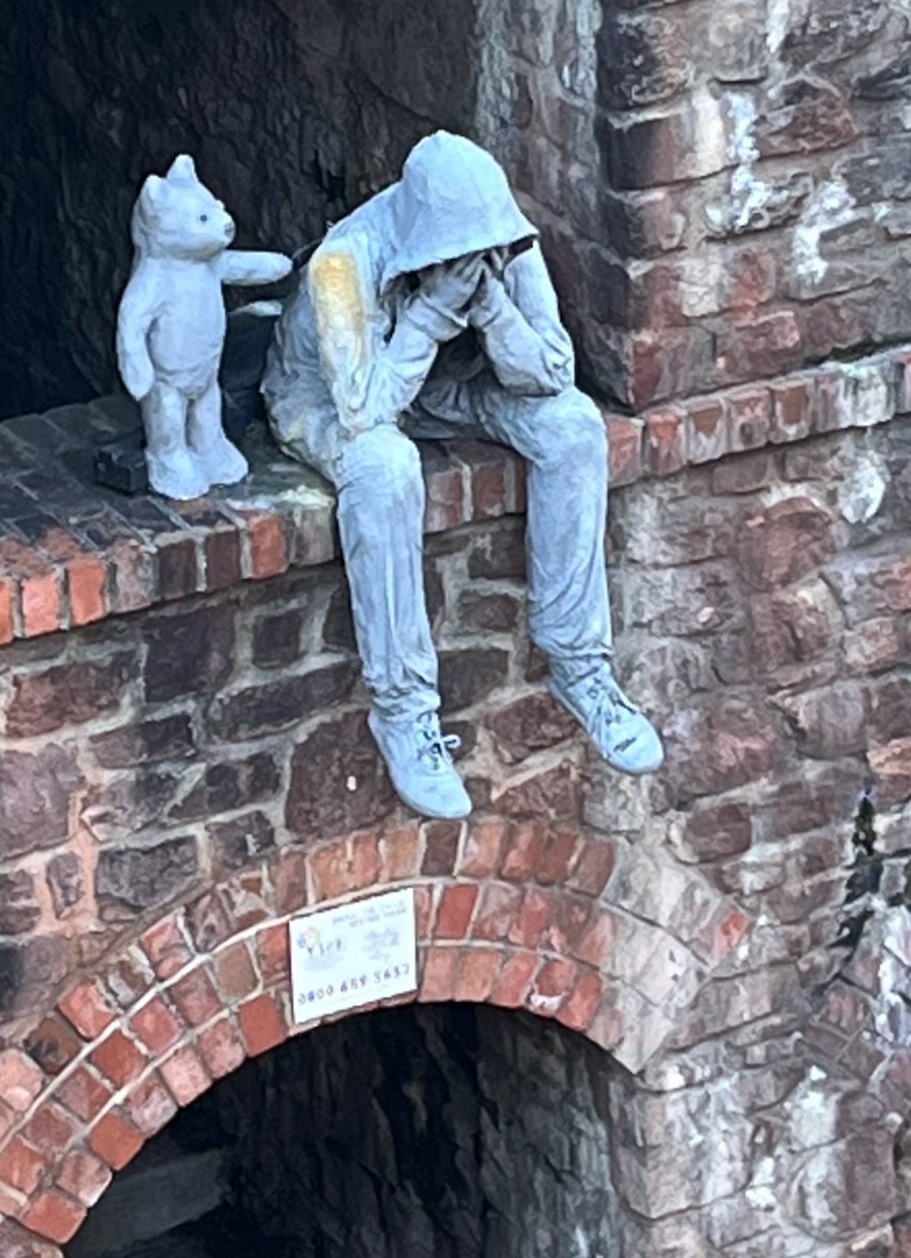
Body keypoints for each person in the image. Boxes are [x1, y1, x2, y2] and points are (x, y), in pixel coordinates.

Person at [262, 131, 663, 818]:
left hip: (441, 386)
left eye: (486, 253)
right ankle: (404, 710)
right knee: (385, 467)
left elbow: (554, 372)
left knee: (573, 426)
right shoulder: (341, 265)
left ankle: (580, 665)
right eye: (459, 256)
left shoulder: (500, 241)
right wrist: (429, 315)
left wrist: (495, 311)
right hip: (326, 397)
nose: (479, 264)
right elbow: (365, 411)